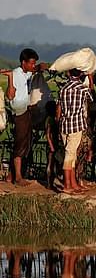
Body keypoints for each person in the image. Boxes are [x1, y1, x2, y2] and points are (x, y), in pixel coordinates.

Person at [2, 48, 48, 186]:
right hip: (19, 113)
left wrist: (40, 67)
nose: (33, 66)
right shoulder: (16, 75)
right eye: (32, 63)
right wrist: (10, 78)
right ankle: (18, 177)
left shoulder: (26, 73)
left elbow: (33, 71)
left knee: (24, 142)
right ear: (24, 62)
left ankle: (11, 176)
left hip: (25, 111)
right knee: (20, 144)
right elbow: (10, 96)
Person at [57, 69, 93, 193]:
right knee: (70, 154)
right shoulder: (83, 89)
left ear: (68, 73)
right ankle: (67, 185)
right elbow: (91, 99)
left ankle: (73, 183)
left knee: (71, 154)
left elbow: (59, 108)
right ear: (80, 74)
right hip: (76, 125)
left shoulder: (63, 89)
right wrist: (90, 78)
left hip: (64, 124)